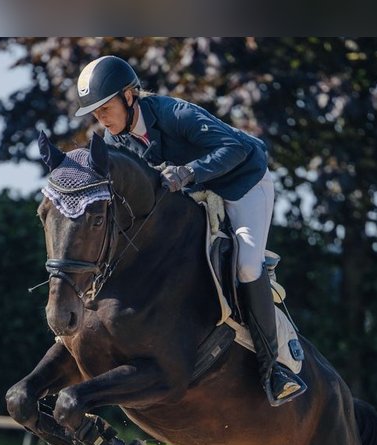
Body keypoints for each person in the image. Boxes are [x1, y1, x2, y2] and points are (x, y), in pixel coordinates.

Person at [74, 55, 306, 406]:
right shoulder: (115, 142)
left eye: (105, 107)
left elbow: (237, 148)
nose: (101, 118)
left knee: (246, 265)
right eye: (95, 112)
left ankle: (273, 367)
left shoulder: (174, 113)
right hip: (195, 196)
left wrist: (187, 172)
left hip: (242, 184)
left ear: (130, 96)